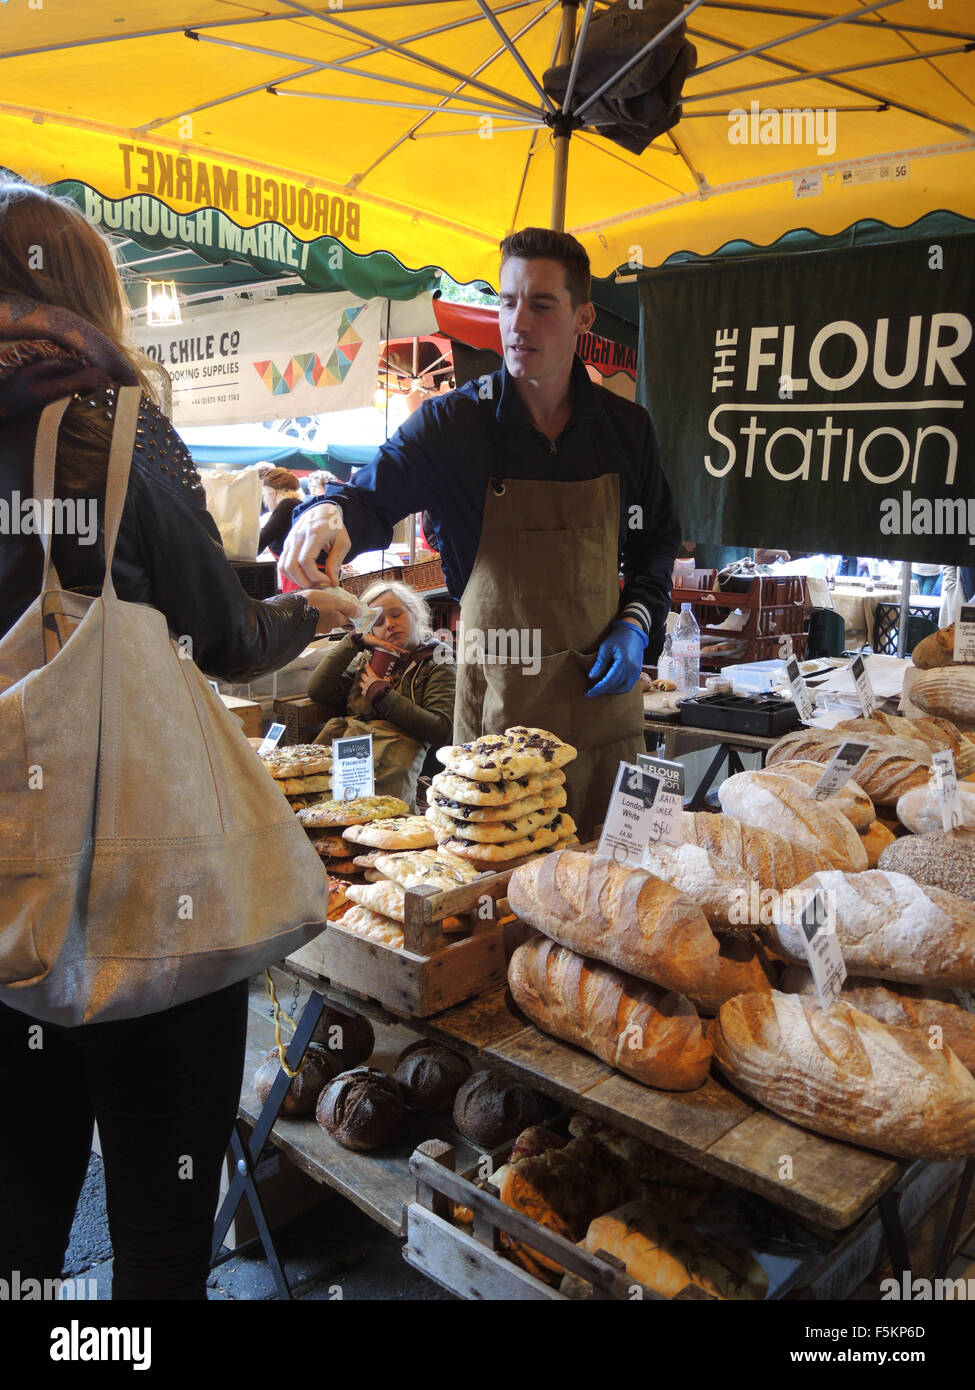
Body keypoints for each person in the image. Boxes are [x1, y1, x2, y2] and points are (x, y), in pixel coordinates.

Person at [0, 178, 362, 1300]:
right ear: (91, 294)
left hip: (8, 908)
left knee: (18, 1226)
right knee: (158, 1236)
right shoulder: (107, 423)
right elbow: (229, 636)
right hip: (147, 908)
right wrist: (321, 613)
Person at [279, 227, 681, 838]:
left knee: (604, 896)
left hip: (601, 707)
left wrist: (637, 622)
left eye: (542, 304)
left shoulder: (626, 430)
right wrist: (328, 513)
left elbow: (656, 542)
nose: (518, 322)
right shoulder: (454, 425)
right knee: (496, 887)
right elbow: (368, 495)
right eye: (507, 301)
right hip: (496, 710)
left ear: (583, 318)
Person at [307, 581, 456, 804]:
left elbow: (441, 731)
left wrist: (384, 696)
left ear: (414, 612)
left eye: (396, 614)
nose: (389, 625)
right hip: (351, 754)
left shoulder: (437, 661)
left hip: (394, 759)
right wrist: (353, 642)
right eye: (377, 622)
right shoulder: (366, 659)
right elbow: (317, 691)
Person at [258, 467, 304, 558]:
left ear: (272, 493)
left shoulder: (286, 505)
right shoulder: (296, 504)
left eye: (264, 494)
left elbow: (259, 544)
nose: (264, 500)